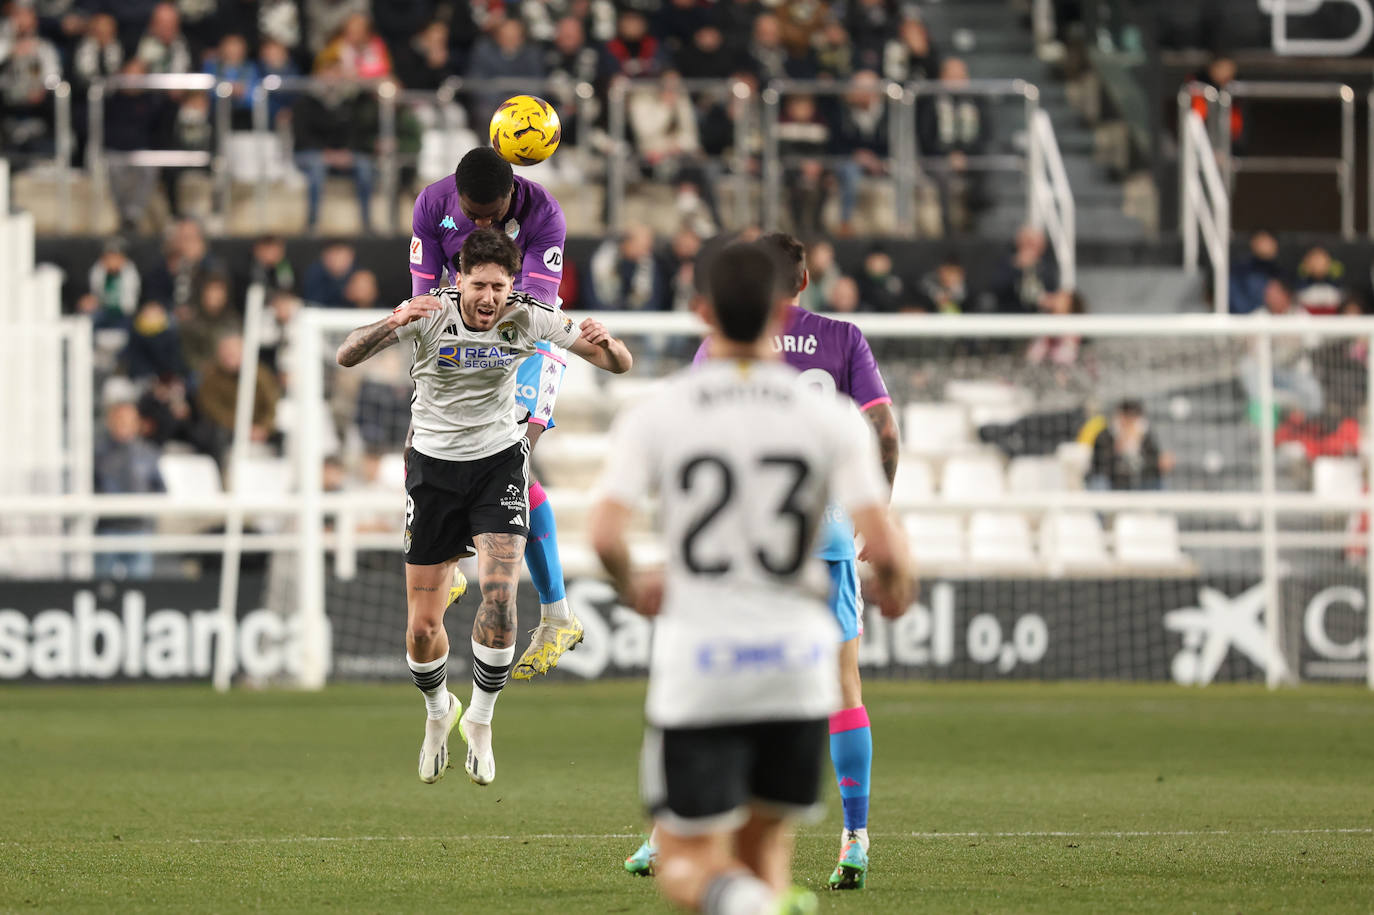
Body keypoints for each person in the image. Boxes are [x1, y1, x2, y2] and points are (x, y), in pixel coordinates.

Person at [593, 239, 910, 912]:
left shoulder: (665, 408)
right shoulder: (829, 406)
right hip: (797, 633)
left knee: (691, 861)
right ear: (787, 301)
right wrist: (893, 581)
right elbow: (885, 453)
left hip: (702, 645)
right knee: (777, 829)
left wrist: (634, 583)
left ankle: (679, 850)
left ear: (702, 310)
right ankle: (854, 836)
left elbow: (603, 533)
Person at [335, 228, 632, 786]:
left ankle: (481, 718)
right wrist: (392, 320)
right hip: (432, 472)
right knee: (422, 630)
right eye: (479, 285)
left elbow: (618, 364)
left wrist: (608, 342)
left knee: (499, 600)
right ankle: (437, 711)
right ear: (459, 280)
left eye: (499, 286)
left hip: (499, 464)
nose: (489, 297)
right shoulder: (429, 315)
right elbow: (346, 353)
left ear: (511, 285)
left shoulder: (529, 317)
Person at [409, 147, 581, 681]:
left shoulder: (545, 213)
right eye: (472, 214)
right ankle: (455, 562)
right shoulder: (431, 204)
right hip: (461, 343)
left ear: (512, 192)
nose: (482, 223)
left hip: (524, 343)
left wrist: (473, 313)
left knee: (513, 460)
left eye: (492, 213)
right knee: (429, 444)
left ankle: (556, 615)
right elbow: (424, 298)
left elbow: (528, 306)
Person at [94, 400, 165, 579]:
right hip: (108, 528)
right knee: (103, 588)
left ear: (136, 423)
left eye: (128, 420)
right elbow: (92, 486)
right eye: (119, 420)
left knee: (139, 587)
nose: (123, 425)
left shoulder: (148, 453)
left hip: (139, 528)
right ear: (110, 422)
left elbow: (160, 489)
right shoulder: (98, 454)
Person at [1085, 399, 1174, 490]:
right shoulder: (1105, 436)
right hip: (1112, 481)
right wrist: (1119, 447)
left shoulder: (1145, 436)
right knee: (1099, 483)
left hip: (1139, 480)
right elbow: (1100, 465)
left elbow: (1152, 461)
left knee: (1155, 483)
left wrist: (1159, 463)